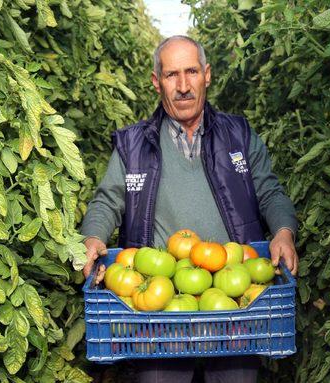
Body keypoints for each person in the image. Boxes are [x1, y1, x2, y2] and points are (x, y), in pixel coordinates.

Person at [80, 35, 298, 383]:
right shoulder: (133, 145)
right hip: (161, 303)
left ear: (207, 75)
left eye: (192, 71)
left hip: (233, 295)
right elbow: (108, 200)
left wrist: (284, 231)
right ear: (156, 82)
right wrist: (92, 237)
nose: (183, 86)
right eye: (171, 75)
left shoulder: (238, 135)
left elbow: (269, 191)